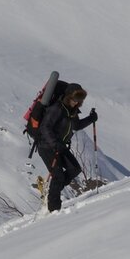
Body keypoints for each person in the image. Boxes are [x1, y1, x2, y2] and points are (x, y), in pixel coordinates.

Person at [37, 83, 97, 212]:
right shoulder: (57, 108)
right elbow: (45, 127)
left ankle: (51, 190)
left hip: (60, 146)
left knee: (74, 169)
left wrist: (91, 119)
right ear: (68, 96)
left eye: (79, 101)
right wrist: (54, 143)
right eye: (75, 99)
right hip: (47, 146)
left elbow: (76, 126)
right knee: (58, 176)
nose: (76, 103)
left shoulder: (72, 111)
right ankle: (54, 209)